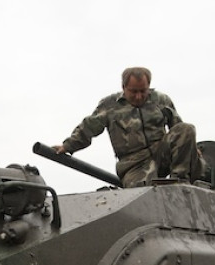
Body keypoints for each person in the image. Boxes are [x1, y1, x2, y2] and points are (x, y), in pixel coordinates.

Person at [53, 67, 204, 188]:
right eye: (133, 91)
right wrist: (67, 146)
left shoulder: (161, 100)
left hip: (161, 154)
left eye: (143, 91)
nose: (138, 96)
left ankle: (180, 183)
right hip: (134, 164)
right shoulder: (110, 105)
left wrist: (190, 147)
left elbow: (177, 127)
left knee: (187, 129)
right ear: (123, 87)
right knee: (142, 195)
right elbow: (89, 127)